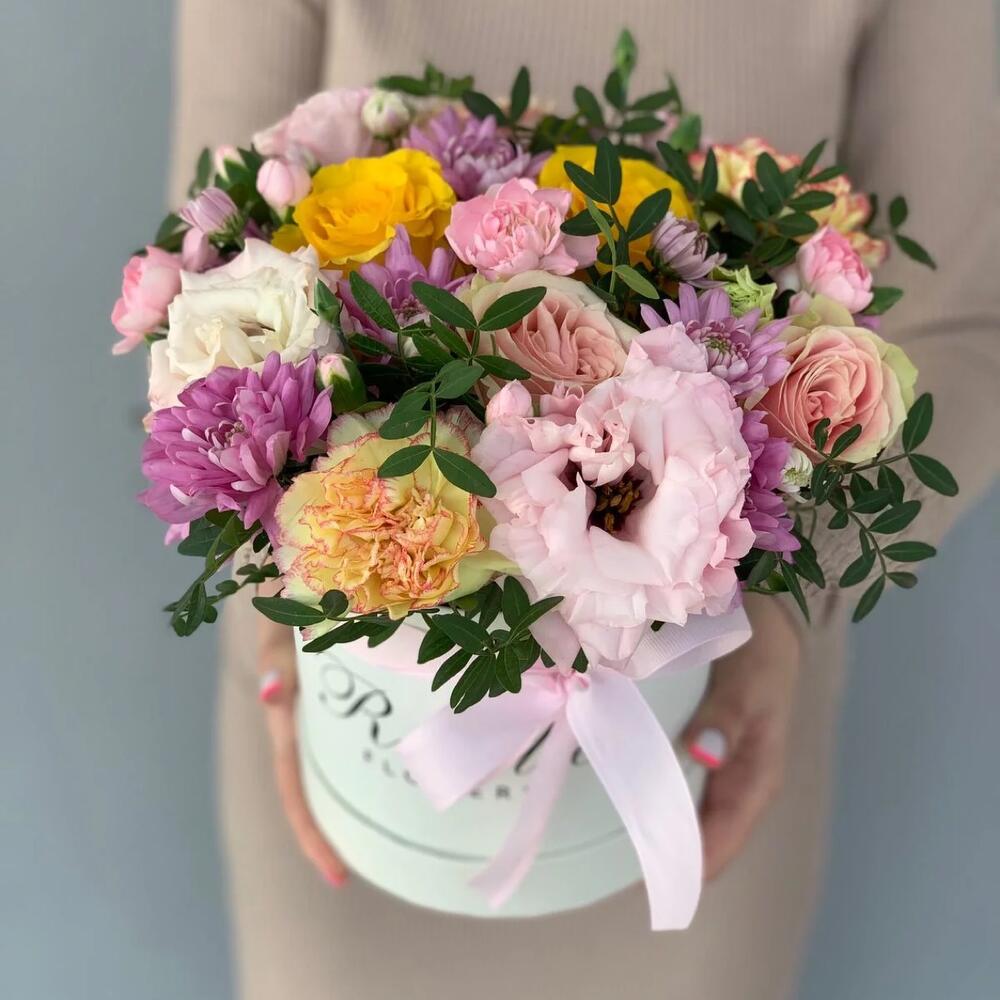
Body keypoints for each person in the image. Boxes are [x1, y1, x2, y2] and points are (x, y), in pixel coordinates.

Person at [170, 2, 999, 997]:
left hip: (694, 712)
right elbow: (203, 278)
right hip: (363, 709)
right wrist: (275, 596)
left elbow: (963, 327)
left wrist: (782, 612)